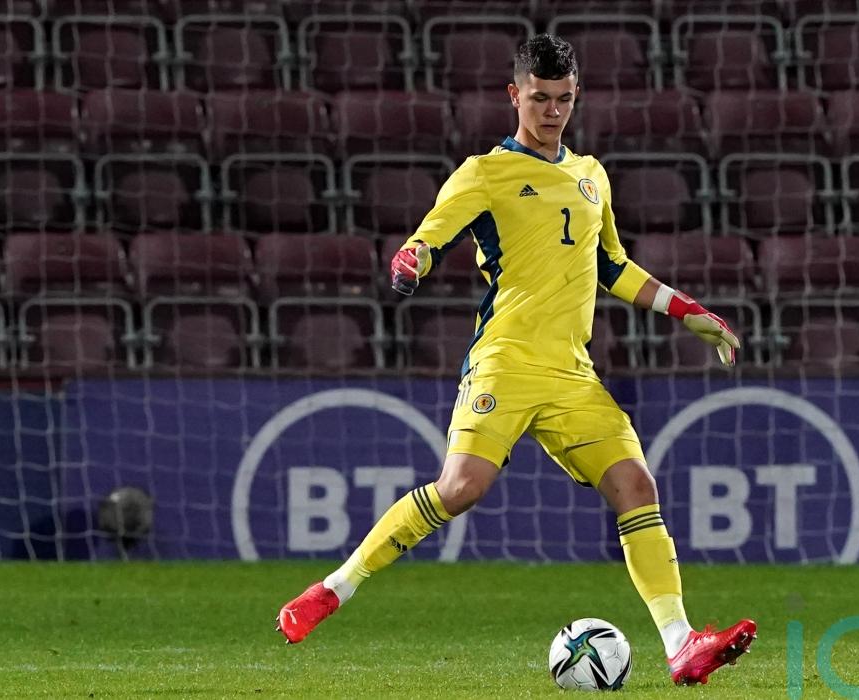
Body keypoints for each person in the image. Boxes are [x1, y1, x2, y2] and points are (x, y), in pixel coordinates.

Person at [276, 33, 756, 686]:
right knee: (460, 489)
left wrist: (689, 311)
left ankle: (681, 644)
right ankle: (333, 588)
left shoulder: (591, 175)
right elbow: (427, 238)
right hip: (505, 361)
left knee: (636, 487)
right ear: (514, 95)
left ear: (576, 96)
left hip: (572, 374)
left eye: (563, 99)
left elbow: (612, 267)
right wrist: (412, 260)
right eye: (539, 98)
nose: (552, 111)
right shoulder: (485, 173)